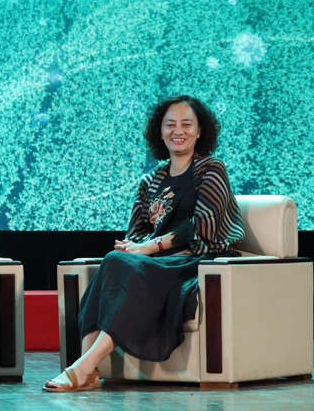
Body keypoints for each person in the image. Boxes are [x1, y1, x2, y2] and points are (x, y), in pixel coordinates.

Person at [44, 95, 244, 392]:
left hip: (197, 258)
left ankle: (84, 367)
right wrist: (133, 246)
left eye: (187, 124)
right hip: (159, 260)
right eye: (170, 124)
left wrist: (151, 247)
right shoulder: (151, 180)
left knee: (123, 263)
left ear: (200, 130)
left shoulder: (211, 168)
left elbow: (204, 224)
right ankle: (89, 369)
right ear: (159, 132)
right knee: (114, 259)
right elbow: (137, 231)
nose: (178, 131)